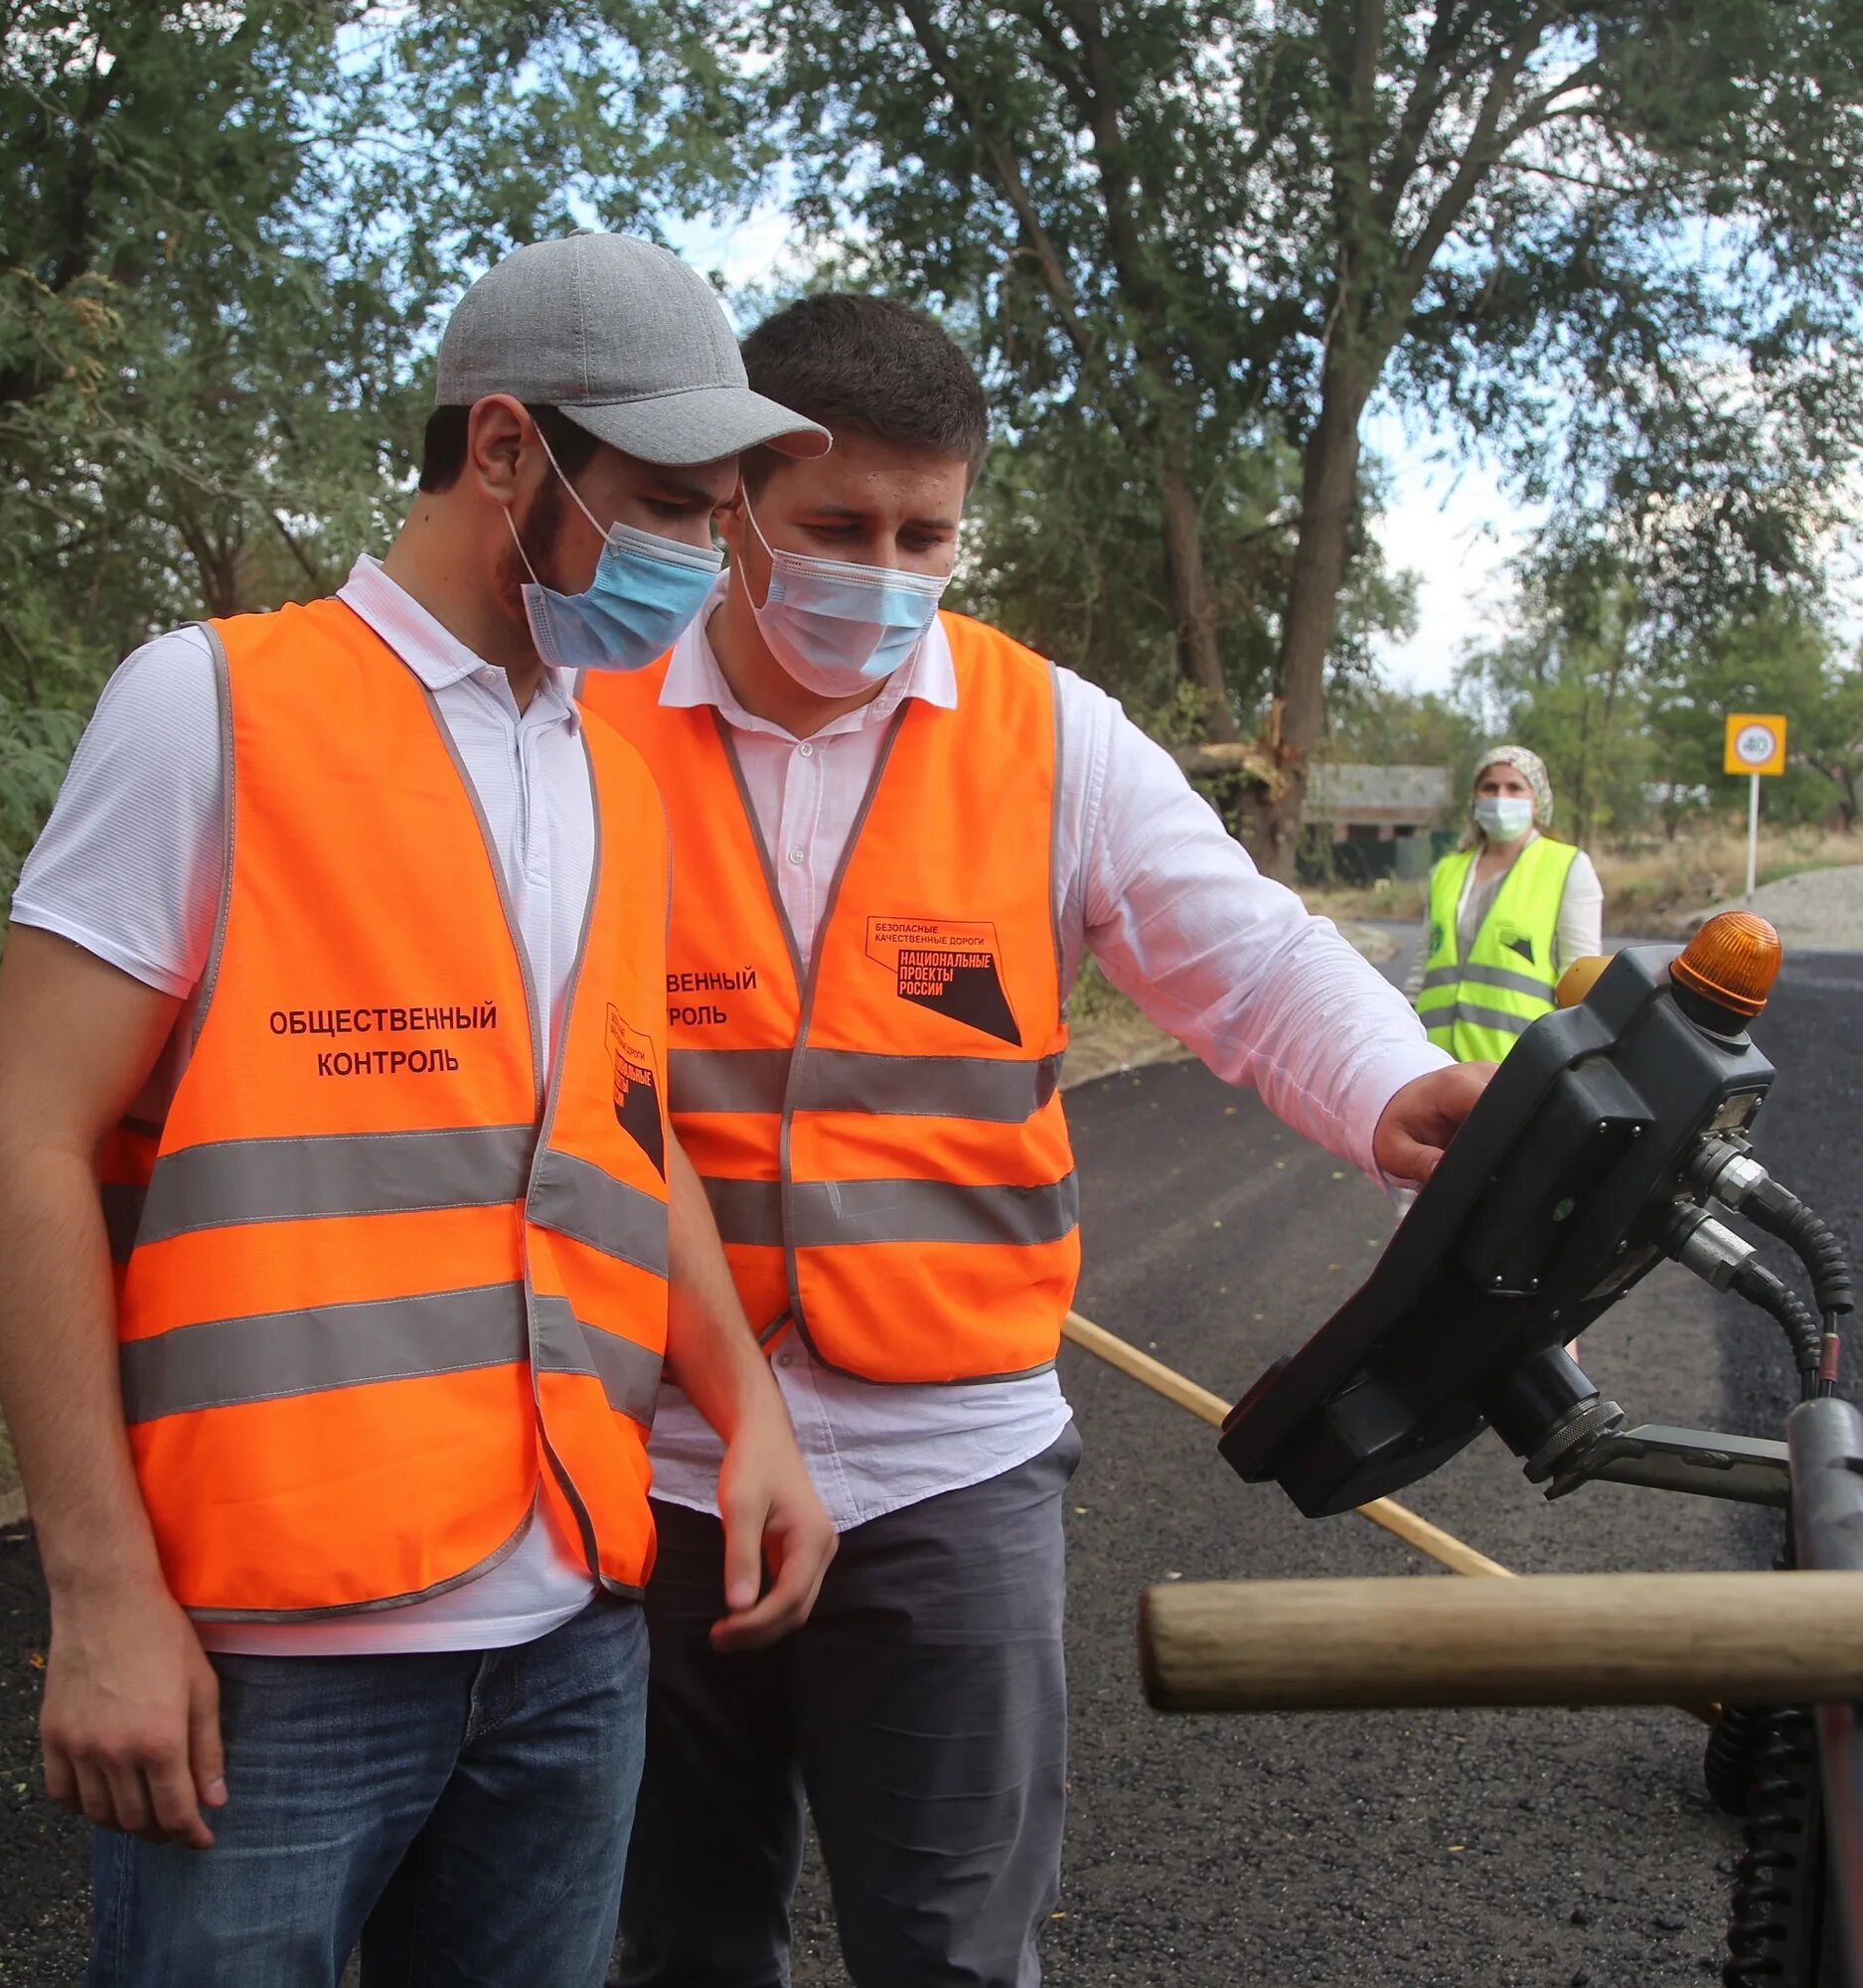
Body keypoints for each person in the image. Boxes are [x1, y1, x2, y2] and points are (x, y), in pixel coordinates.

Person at [577, 293, 1494, 1988]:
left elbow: (1253, 953)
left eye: (927, 533)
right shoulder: (588, 720)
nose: (886, 570)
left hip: (949, 1473)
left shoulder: (1048, 736)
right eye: (837, 527)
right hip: (656, 1468)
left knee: (952, 1952)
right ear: (736, 510)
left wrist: (1390, 1086)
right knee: (673, 1946)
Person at [0, 234, 840, 1988]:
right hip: (275, 1653)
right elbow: (21, 1150)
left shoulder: (611, 766)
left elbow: (621, 1131)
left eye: (719, 513)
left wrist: (749, 1406)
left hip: (575, 1631)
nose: (702, 557)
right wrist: (103, 1596)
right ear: (504, 450)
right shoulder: (208, 708)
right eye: (668, 502)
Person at [1410, 745, 1606, 1061]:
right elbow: (1424, 966)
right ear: (1475, 798)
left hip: (1518, 1065)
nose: (1501, 796)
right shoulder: (1445, 871)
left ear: (1537, 799)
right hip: (1435, 1061)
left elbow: (1579, 979)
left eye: (1514, 787)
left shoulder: (1567, 866)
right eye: (1490, 787)